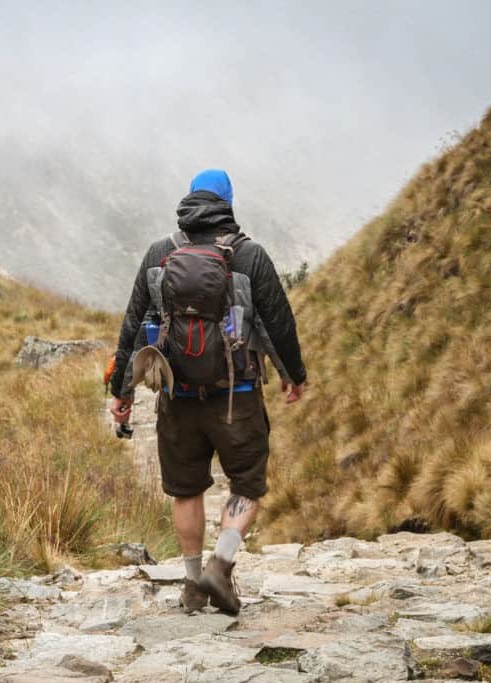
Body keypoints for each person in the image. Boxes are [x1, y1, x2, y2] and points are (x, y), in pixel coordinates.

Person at [108, 169, 307, 615]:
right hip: (237, 394)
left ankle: (194, 583)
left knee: (186, 490)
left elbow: (134, 326)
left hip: (177, 397)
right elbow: (278, 322)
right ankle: (222, 562)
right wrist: (293, 373)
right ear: (228, 204)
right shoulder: (249, 255)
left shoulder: (160, 254)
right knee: (246, 484)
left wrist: (120, 391)